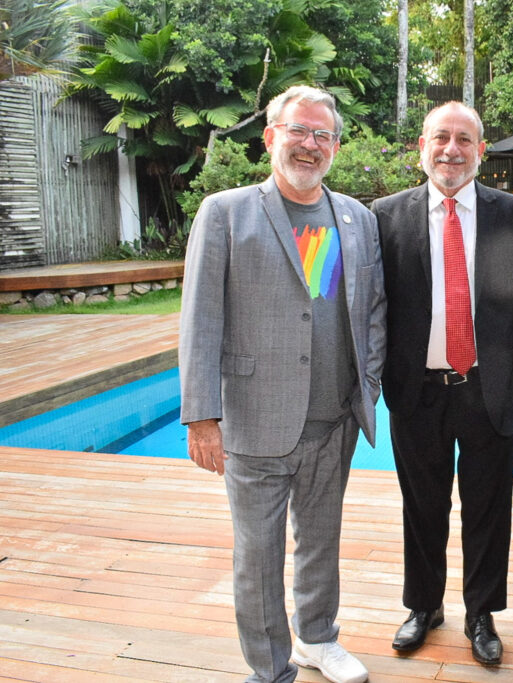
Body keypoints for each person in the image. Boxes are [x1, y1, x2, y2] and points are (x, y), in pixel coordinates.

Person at [179, 85, 385, 683]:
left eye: (323, 135)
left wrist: (364, 388)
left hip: (333, 421)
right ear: (271, 136)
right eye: (299, 130)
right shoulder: (225, 212)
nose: (310, 144)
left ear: (337, 147)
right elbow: (201, 318)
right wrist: (201, 415)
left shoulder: (357, 218)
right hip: (256, 417)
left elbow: (369, 310)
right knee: (258, 558)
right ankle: (270, 669)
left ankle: (319, 639)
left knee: (321, 543)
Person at [371, 101, 513, 667]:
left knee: (488, 507)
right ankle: (423, 607)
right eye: (441, 138)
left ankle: (481, 612)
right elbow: (370, 305)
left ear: (480, 149)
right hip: (416, 391)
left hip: (488, 389)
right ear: (421, 146)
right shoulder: (384, 217)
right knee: (421, 506)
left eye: (464, 139)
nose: (452, 149)